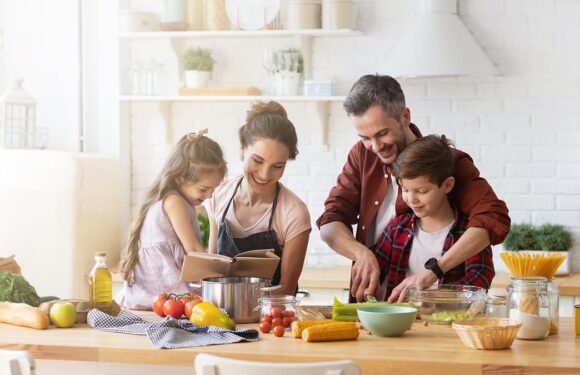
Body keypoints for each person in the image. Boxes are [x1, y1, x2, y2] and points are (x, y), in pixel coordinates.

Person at [317, 74, 510, 302]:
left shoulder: (446, 162)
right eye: (365, 137)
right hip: (377, 305)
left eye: (382, 134)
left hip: (436, 311)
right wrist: (361, 253)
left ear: (405, 116)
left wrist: (435, 271)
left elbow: (493, 217)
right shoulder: (362, 155)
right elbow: (330, 221)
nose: (375, 147)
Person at [205, 101, 311, 296]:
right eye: (258, 160)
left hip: (271, 319)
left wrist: (242, 303)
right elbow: (212, 274)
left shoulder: (294, 212)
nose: (264, 174)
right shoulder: (218, 196)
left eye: (277, 166)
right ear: (242, 148)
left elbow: (286, 290)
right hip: (220, 316)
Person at [374, 135, 495, 301]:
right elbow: (375, 270)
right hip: (400, 324)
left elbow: (480, 279)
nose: (411, 199)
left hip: (450, 323)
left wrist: (430, 297)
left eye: (422, 191)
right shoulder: (397, 228)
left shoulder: (469, 233)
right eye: (405, 190)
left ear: (447, 185)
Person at [116, 130, 227, 309]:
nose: (209, 195)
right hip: (164, 294)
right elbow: (193, 249)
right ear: (179, 179)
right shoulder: (174, 202)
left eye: (213, 189)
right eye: (204, 189)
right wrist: (217, 274)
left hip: (152, 295)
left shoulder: (172, 200)